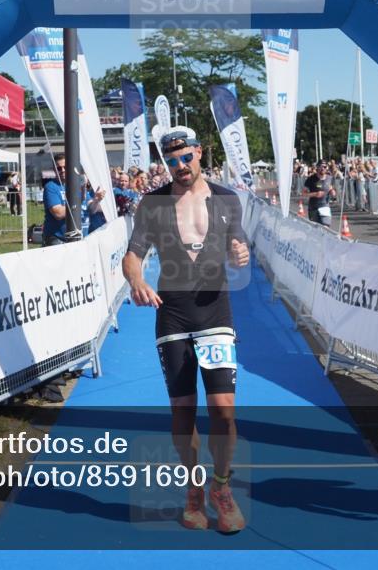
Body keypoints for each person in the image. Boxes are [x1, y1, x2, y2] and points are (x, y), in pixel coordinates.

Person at [122, 126, 250, 533]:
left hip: (215, 313)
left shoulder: (227, 198)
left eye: (186, 157)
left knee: (224, 410)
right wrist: (136, 281)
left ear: (199, 153)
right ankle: (194, 490)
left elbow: (238, 244)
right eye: (172, 160)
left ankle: (221, 487)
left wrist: (240, 253)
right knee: (182, 409)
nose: (180, 165)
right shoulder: (153, 203)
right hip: (173, 314)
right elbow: (132, 254)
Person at [42, 155, 73, 246]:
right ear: (54, 170)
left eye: (65, 167)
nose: (62, 170)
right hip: (56, 238)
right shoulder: (50, 187)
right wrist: (76, 204)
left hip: (75, 236)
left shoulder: (75, 185)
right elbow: (58, 213)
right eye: (59, 168)